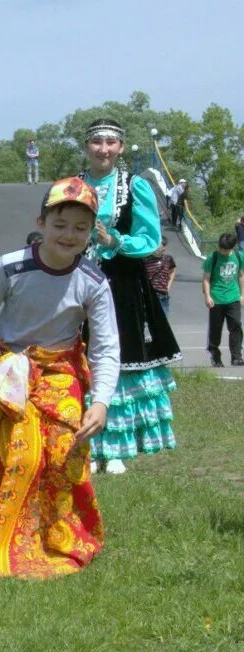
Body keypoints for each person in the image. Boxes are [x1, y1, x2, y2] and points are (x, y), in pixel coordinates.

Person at [0, 177, 118, 581]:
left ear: (92, 233)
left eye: (81, 228)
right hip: (10, 370)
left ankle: (62, 539)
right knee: (18, 453)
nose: (69, 235)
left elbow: (104, 347)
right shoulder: (10, 267)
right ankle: (3, 543)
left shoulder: (95, 283)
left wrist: (100, 401)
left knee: (63, 457)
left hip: (62, 372)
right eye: (60, 224)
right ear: (42, 222)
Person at [79, 118, 180, 475]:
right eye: (97, 142)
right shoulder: (73, 186)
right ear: (87, 146)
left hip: (121, 283)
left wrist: (115, 241)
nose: (103, 149)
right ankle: (87, 446)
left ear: (120, 147)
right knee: (81, 358)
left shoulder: (134, 186)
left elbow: (150, 239)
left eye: (110, 142)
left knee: (117, 356)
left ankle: (118, 446)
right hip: (76, 283)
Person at [201, 232, 244, 367]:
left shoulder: (239, 256)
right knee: (215, 329)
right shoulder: (212, 258)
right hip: (216, 299)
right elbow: (206, 279)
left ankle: (237, 357)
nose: (223, 251)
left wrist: (242, 294)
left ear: (233, 247)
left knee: (236, 326)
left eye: (226, 249)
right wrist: (207, 296)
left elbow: (241, 276)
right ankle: (215, 357)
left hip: (233, 297)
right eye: (221, 248)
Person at [143, 237, 177, 316]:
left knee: (163, 321)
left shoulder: (168, 259)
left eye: (162, 246)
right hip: (147, 294)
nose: (160, 248)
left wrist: (168, 286)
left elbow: (172, 271)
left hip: (162, 295)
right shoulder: (144, 259)